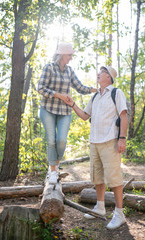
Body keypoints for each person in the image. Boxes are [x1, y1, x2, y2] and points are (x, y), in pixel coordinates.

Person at [65, 66, 128, 230]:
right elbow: (85, 116)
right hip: (94, 142)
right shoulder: (95, 97)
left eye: (102, 72)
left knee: (114, 179)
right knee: (98, 178)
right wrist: (72, 104)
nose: (98, 75)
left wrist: (122, 138)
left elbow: (123, 115)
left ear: (109, 77)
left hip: (110, 142)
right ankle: (100, 208)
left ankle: (119, 214)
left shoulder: (116, 93)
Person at [37, 42, 97, 184]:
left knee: (61, 141)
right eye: (69, 55)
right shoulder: (49, 68)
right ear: (62, 55)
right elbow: (40, 88)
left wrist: (93, 89)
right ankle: (53, 171)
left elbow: (79, 87)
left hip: (64, 111)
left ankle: (55, 164)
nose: (71, 57)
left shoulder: (70, 71)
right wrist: (58, 95)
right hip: (48, 109)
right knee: (51, 140)